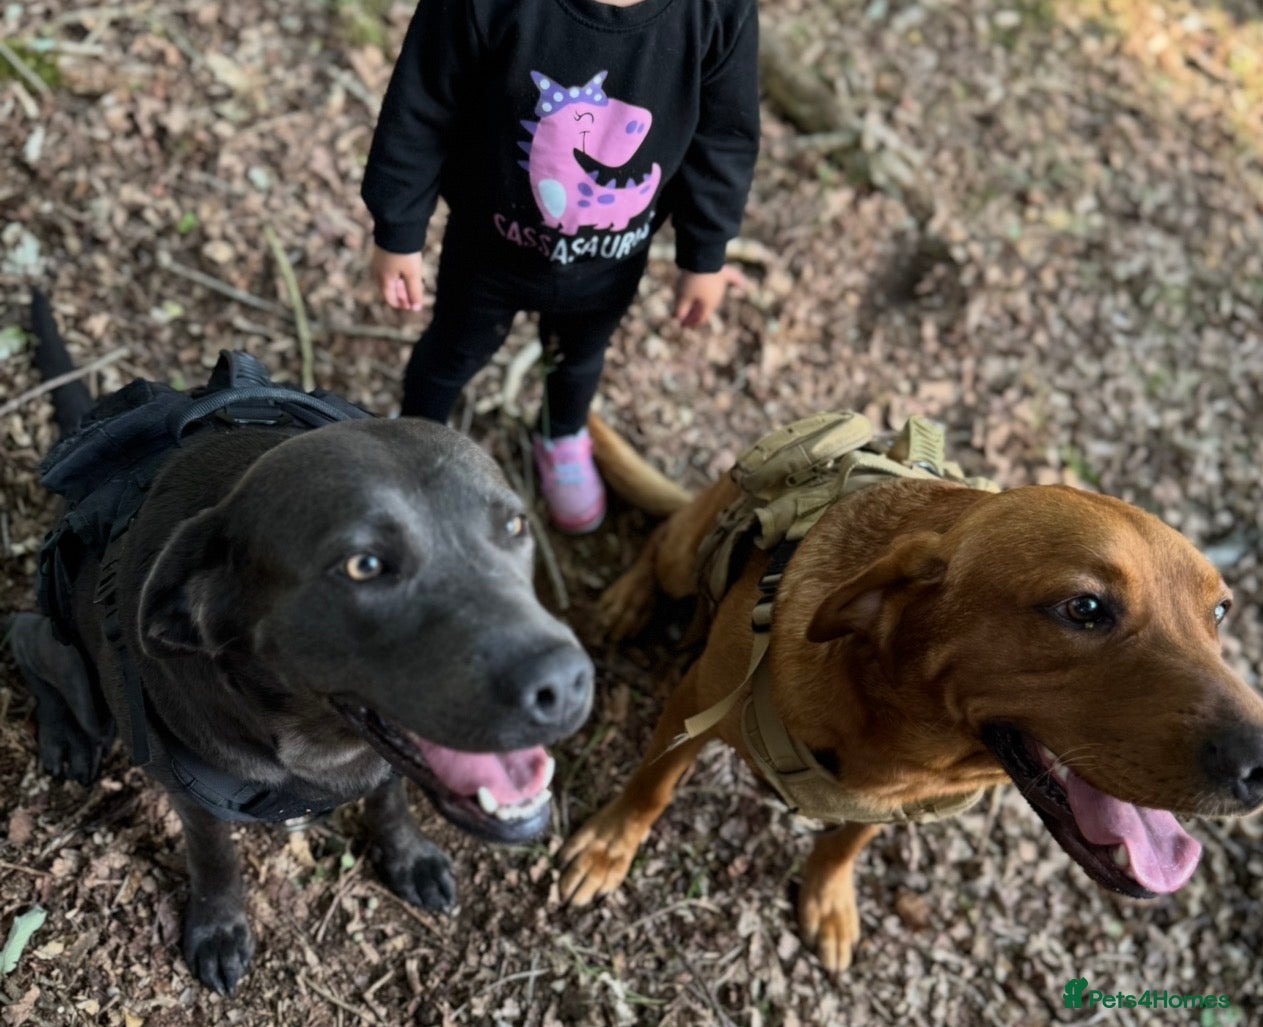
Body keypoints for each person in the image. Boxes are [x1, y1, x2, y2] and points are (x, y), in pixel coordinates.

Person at [362, 0, 759, 534]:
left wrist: (705, 253)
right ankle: (412, 436)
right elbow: (420, 104)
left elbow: (724, 137)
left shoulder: (718, 12)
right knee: (452, 351)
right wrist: (398, 228)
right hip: (485, 251)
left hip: (612, 263)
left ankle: (561, 434)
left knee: (578, 360)